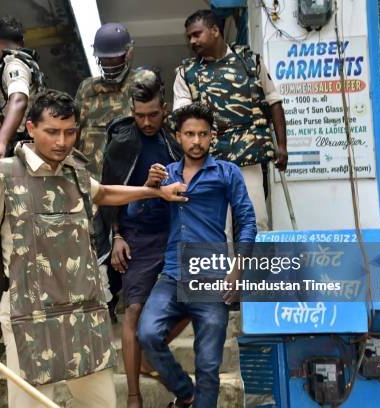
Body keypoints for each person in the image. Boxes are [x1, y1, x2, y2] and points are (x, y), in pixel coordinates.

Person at [0, 89, 188, 408]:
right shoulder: (2, 177)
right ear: (31, 128)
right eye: (52, 132)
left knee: (102, 404)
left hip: (83, 314)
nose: (62, 142)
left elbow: (103, 193)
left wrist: (153, 193)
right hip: (28, 317)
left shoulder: (73, 172)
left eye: (70, 132)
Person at [135, 103, 257, 408]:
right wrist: (149, 188)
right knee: (147, 334)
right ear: (178, 136)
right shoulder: (166, 174)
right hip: (173, 272)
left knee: (208, 366)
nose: (197, 141)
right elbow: (135, 212)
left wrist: (238, 268)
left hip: (212, 274)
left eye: (203, 134)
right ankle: (185, 393)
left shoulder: (227, 173)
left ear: (212, 136)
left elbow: (246, 220)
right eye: (190, 134)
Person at [97, 70, 185, 407]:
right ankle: (134, 396)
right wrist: (117, 236)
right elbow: (108, 194)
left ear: (164, 109)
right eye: (138, 115)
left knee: (202, 299)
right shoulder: (121, 142)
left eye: (152, 114)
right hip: (136, 234)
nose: (145, 122)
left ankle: (151, 351)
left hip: (176, 233)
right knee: (133, 310)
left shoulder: (177, 139)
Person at [173, 9, 288, 235]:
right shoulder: (187, 73)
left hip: (248, 156)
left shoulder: (249, 62)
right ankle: (223, 272)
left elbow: (274, 102)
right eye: (189, 37)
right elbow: (183, 117)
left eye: (197, 34)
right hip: (209, 162)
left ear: (215, 30)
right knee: (218, 229)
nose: (192, 41)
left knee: (255, 222)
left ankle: (255, 270)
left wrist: (282, 146)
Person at [75, 22, 154, 316]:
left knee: (133, 248)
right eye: (104, 60)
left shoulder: (143, 82)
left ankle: (132, 304)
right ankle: (100, 306)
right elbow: (74, 134)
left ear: (129, 53)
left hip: (131, 185)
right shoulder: (87, 89)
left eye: (115, 59)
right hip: (94, 188)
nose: (109, 66)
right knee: (92, 247)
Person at [0, 16, 45, 160]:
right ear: (22, 43)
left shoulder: (14, 64)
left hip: (18, 148)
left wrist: (0, 142)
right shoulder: (29, 64)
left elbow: (19, 100)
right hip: (26, 147)